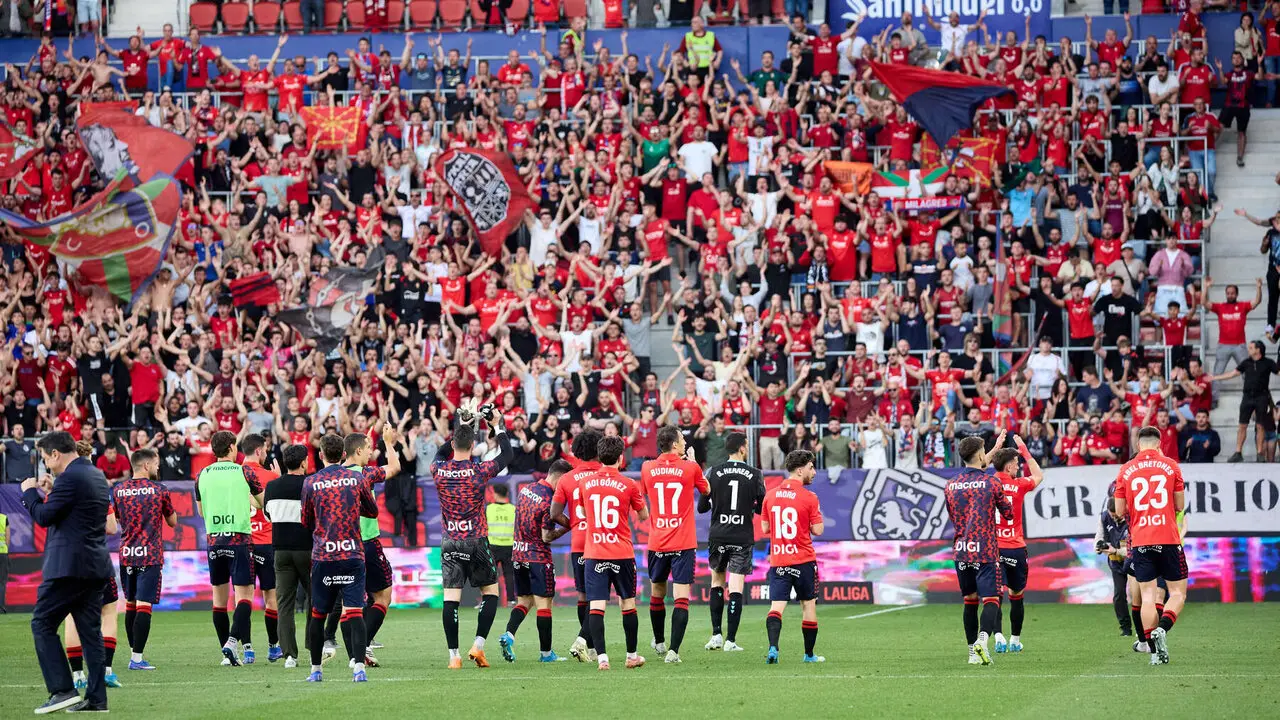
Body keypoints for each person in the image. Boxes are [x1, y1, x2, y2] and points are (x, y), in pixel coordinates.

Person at [23, 431, 112, 714]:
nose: (46, 465)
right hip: (94, 567)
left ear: (56, 454)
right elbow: (73, 512)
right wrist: (51, 492)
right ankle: (97, 700)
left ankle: (62, 690)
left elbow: (44, 517)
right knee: (90, 635)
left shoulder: (70, 479)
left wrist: (28, 493)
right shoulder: (94, 474)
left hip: (69, 568)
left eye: (46, 458)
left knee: (42, 623)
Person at [431, 402, 513, 669]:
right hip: (476, 540)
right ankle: (478, 646)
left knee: (450, 600)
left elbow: (441, 452)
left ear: (454, 445)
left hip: (451, 541)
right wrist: (497, 425)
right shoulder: (480, 471)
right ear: (472, 448)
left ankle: (453, 656)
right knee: (491, 593)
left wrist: (463, 424)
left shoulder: (438, 470)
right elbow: (508, 454)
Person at [300, 433, 379, 683]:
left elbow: (305, 521)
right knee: (355, 613)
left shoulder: (311, 482)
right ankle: (359, 669)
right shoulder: (356, 478)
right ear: (344, 455)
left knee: (318, 615)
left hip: (324, 556)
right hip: (352, 554)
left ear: (321, 455)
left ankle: (315, 671)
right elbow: (373, 511)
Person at [1113, 427, 1188, 665]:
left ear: (1138, 445)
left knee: (1147, 596)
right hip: (1168, 537)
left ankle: (1154, 652)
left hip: (1142, 540)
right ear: (1159, 444)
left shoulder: (1125, 470)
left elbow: (1119, 510)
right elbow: (1179, 505)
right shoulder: (1172, 466)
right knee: (1177, 593)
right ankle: (1163, 629)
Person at [194, 430, 265, 666]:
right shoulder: (243, 471)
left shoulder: (202, 474)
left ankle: (226, 651)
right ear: (233, 447)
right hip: (240, 539)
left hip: (215, 540)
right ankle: (232, 642)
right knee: (245, 596)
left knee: (219, 600)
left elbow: (201, 511)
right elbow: (263, 503)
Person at [639, 425, 709, 664]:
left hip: (657, 541)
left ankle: (659, 641)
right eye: (682, 439)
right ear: (676, 445)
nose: (685, 443)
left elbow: (643, 495)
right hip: (683, 542)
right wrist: (693, 462)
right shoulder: (691, 467)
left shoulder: (647, 468)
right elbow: (706, 489)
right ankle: (673, 651)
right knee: (681, 598)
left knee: (657, 593)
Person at [580, 435, 649, 671]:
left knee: (597, 606)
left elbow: (582, 512)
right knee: (627, 603)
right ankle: (631, 656)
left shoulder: (585, 483)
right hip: (621, 552)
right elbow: (643, 516)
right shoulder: (629, 484)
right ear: (621, 458)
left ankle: (602, 659)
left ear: (600, 457)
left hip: (595, 551)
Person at [945, 432, 1014, 666]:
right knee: (992, 599)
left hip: (962, 549)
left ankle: (972, 654)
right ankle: (982, 642)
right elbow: (1008, 512)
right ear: (979, 454)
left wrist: (994, 448)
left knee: (969, 601)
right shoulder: (992, 482)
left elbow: (953, 515)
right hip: (985, 549)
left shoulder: (951, 485)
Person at [497, 459, 573, 663]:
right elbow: (546, 536)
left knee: (524, 601)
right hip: (538, 557)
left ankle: (509, 635)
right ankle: (546, 654)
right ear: (561, 478)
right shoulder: (550, 500)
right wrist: (566, 528)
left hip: (518, 554)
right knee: (544, 604)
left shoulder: (526, 489)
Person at [110, 448, 177, 671]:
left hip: (127, 554)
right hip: (150, 554)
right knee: (144, 606)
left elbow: (118, 519)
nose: (158, 468)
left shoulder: (118, 490)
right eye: (156, 464)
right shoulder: (160, 490)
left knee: (130, 604)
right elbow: (173, 521)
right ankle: (137, 659)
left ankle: (134, 653)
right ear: (146, 465)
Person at [699, 431, 765, 652]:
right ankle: (731, 640)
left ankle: (716, 635)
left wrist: (718, 503)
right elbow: (760, 508)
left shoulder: (713, 472)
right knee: (735, 587)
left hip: (718, 535)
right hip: (741, 536)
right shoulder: (755, 474)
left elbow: (701, 507)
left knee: (717, 583)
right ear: (742, 448)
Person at [760, 449, 824, 665]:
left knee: (776, 606)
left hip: (779, 561)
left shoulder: (770, 495)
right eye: (811, 467)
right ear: (800, 469)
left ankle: (773, 648)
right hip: (804, 560)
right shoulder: (809, 497)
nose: (813, 472)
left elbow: (765, 527)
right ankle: (808, 655)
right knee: (808, 605)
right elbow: (818, 530)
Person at [346, 425, 403, 662]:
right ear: (358, 451)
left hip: (341, 545)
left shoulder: (334, 473)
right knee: (383, 596)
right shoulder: (365, 474)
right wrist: (388, 442)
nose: (371, 452)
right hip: (366, 542)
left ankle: (348, 648)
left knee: (351, 601)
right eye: (368, 448)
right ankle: (362, 647)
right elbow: (395, 467)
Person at [549, 429, 603, 661]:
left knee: (583, 597)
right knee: (598, 598)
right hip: (601, 542)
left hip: (579, 543)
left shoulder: (568, 478)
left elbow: (554, 512)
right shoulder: (605, 473)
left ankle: (590, 648)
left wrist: (573, 523)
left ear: (578, 450)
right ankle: (584, 641)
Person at [989, 437, 1044, 654]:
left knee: (994, 594)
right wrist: (1025, 450)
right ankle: (1015, 640)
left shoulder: (989, 483)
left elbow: (979, 466)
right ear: (1010, 465)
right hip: (1015, 547)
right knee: (1016, 595)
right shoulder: (1018, 485)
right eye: (1017, 463)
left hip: (993, 548)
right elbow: (1039, 476)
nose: (1019, 467)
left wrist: (994, 449)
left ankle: (999, 637)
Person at [263, 444, 313, 669]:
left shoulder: (272, 486)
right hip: (308, 550)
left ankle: (290, 655)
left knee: (284, 604)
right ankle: (314, 647)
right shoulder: (311, 485)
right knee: (316, 599)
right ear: (303, 462)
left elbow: (267, 514)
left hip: (281, 552)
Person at [240, 434, 282, 664]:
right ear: (258, 451)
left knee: (243, 599)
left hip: (243, 543)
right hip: (266, 542)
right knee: (271, 598)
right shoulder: (269, 476)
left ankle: (247, 649)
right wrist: (278, 479)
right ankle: (273, 646)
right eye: (265, 449)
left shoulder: (234, 474)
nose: (266, 453)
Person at [1207, 340, 1280, 463]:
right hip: (1247, 396)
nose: (1248, 349)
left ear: (1258, 350)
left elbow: (1278, 372)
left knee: (1260, 426)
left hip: (1262, 397)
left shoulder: (1268, 363)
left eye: (1251, 348)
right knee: (1242, 425)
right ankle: (1238, 452)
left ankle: (1260, 453)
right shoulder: (1246, 362)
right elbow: (1232, 374)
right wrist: (1215, 377)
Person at [1096, 498, 1133, 636]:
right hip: (1116, 562)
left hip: (1134, 561)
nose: (1114, 518)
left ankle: (1144, 628)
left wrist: (1115, 550)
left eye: (1116, 514)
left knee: (1139, 596)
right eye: (1112, 515)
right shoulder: (1104, 517)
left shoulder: (1132, 518)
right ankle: (1125, 628)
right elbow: (1099, 536)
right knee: (1119, 595)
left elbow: (1132, 548)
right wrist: (1100, 546)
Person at [486, 484, 518, 606]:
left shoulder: (488, 509)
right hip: (509, 546)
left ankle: (490, 601)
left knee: (490, 575)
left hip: (493, 546)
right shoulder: (513, 509)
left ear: (495, 494)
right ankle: (511, 600)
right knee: (509, 575)